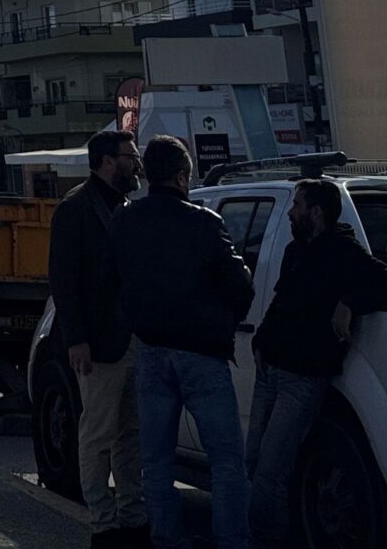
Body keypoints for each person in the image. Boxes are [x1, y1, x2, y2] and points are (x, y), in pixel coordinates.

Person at [246, 180, 387, 549]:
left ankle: (265, 539)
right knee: (254, 459)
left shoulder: (343, 252)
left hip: (303, 377)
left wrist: (349, 302)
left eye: (297, 205)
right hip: (270, 367)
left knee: (274, 466)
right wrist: (261, 339)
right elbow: (281, 300)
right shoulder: (294, 252)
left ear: (316, 213)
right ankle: (272, 533)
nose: (291, 212)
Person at [114, 133, 255, 549]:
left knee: (156, 462)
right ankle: (231, 541)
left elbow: (114, 276)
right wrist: (226, 319)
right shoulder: (204, 222)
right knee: (227, 462)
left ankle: (166, 538)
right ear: (180, 176)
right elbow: (240, 286)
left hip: (151, 350)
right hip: (202, 353)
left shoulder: (125, 220)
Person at [50, 130, 148, 549]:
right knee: (97, 434)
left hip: (131, 340)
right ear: (108, 160)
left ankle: (132, 517)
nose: (136, 163)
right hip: (97, 344)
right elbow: (64, 280)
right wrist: (76, 340)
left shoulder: (124, 205)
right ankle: (103, 524)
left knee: (131, 434)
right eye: (130, 155)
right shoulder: (75, 208)